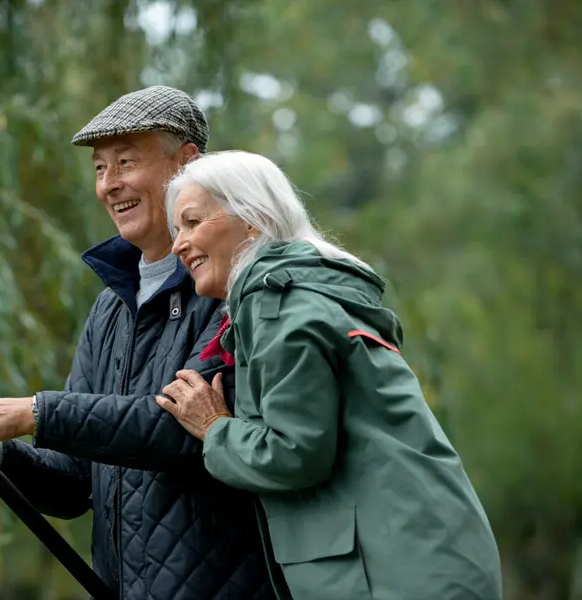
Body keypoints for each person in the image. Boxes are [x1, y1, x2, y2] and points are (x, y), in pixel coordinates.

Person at [0, 88, 276, 599]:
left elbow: (183, 431)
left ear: (187, 163)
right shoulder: (109, 310)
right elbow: (74, 482)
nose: (110, 184)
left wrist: (34, 412)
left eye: (126, 162)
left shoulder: (231, 287)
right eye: (98, 168)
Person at [156, 149, 504, 600]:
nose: (178, 244)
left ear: (253, 219)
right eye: (176, 230)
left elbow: (296, 452)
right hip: (431, 558)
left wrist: (215, 428)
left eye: (192, 222)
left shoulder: (278, 305)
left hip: (397, 573)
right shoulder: (304, 293)